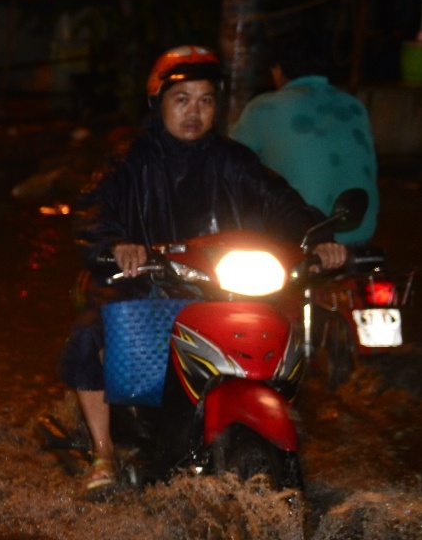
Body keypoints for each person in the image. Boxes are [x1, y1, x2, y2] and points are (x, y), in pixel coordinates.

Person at [64, 44, 346, 493]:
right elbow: (91, 212)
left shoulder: (233, 161)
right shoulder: (128, 160)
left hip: (220, 286)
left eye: (206, 100)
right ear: (158, 103)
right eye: (182, 100)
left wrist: (321, 238)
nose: (194, 111)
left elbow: (282, 202)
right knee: (89, 334)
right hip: (148, 284)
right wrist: (117, 246)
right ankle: (104, 453)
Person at [230, 38, 378, 245]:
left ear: (278, 69)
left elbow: (230, 167)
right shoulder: (355, 106)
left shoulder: (264, 107)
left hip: (303, 237)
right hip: (360, 232)